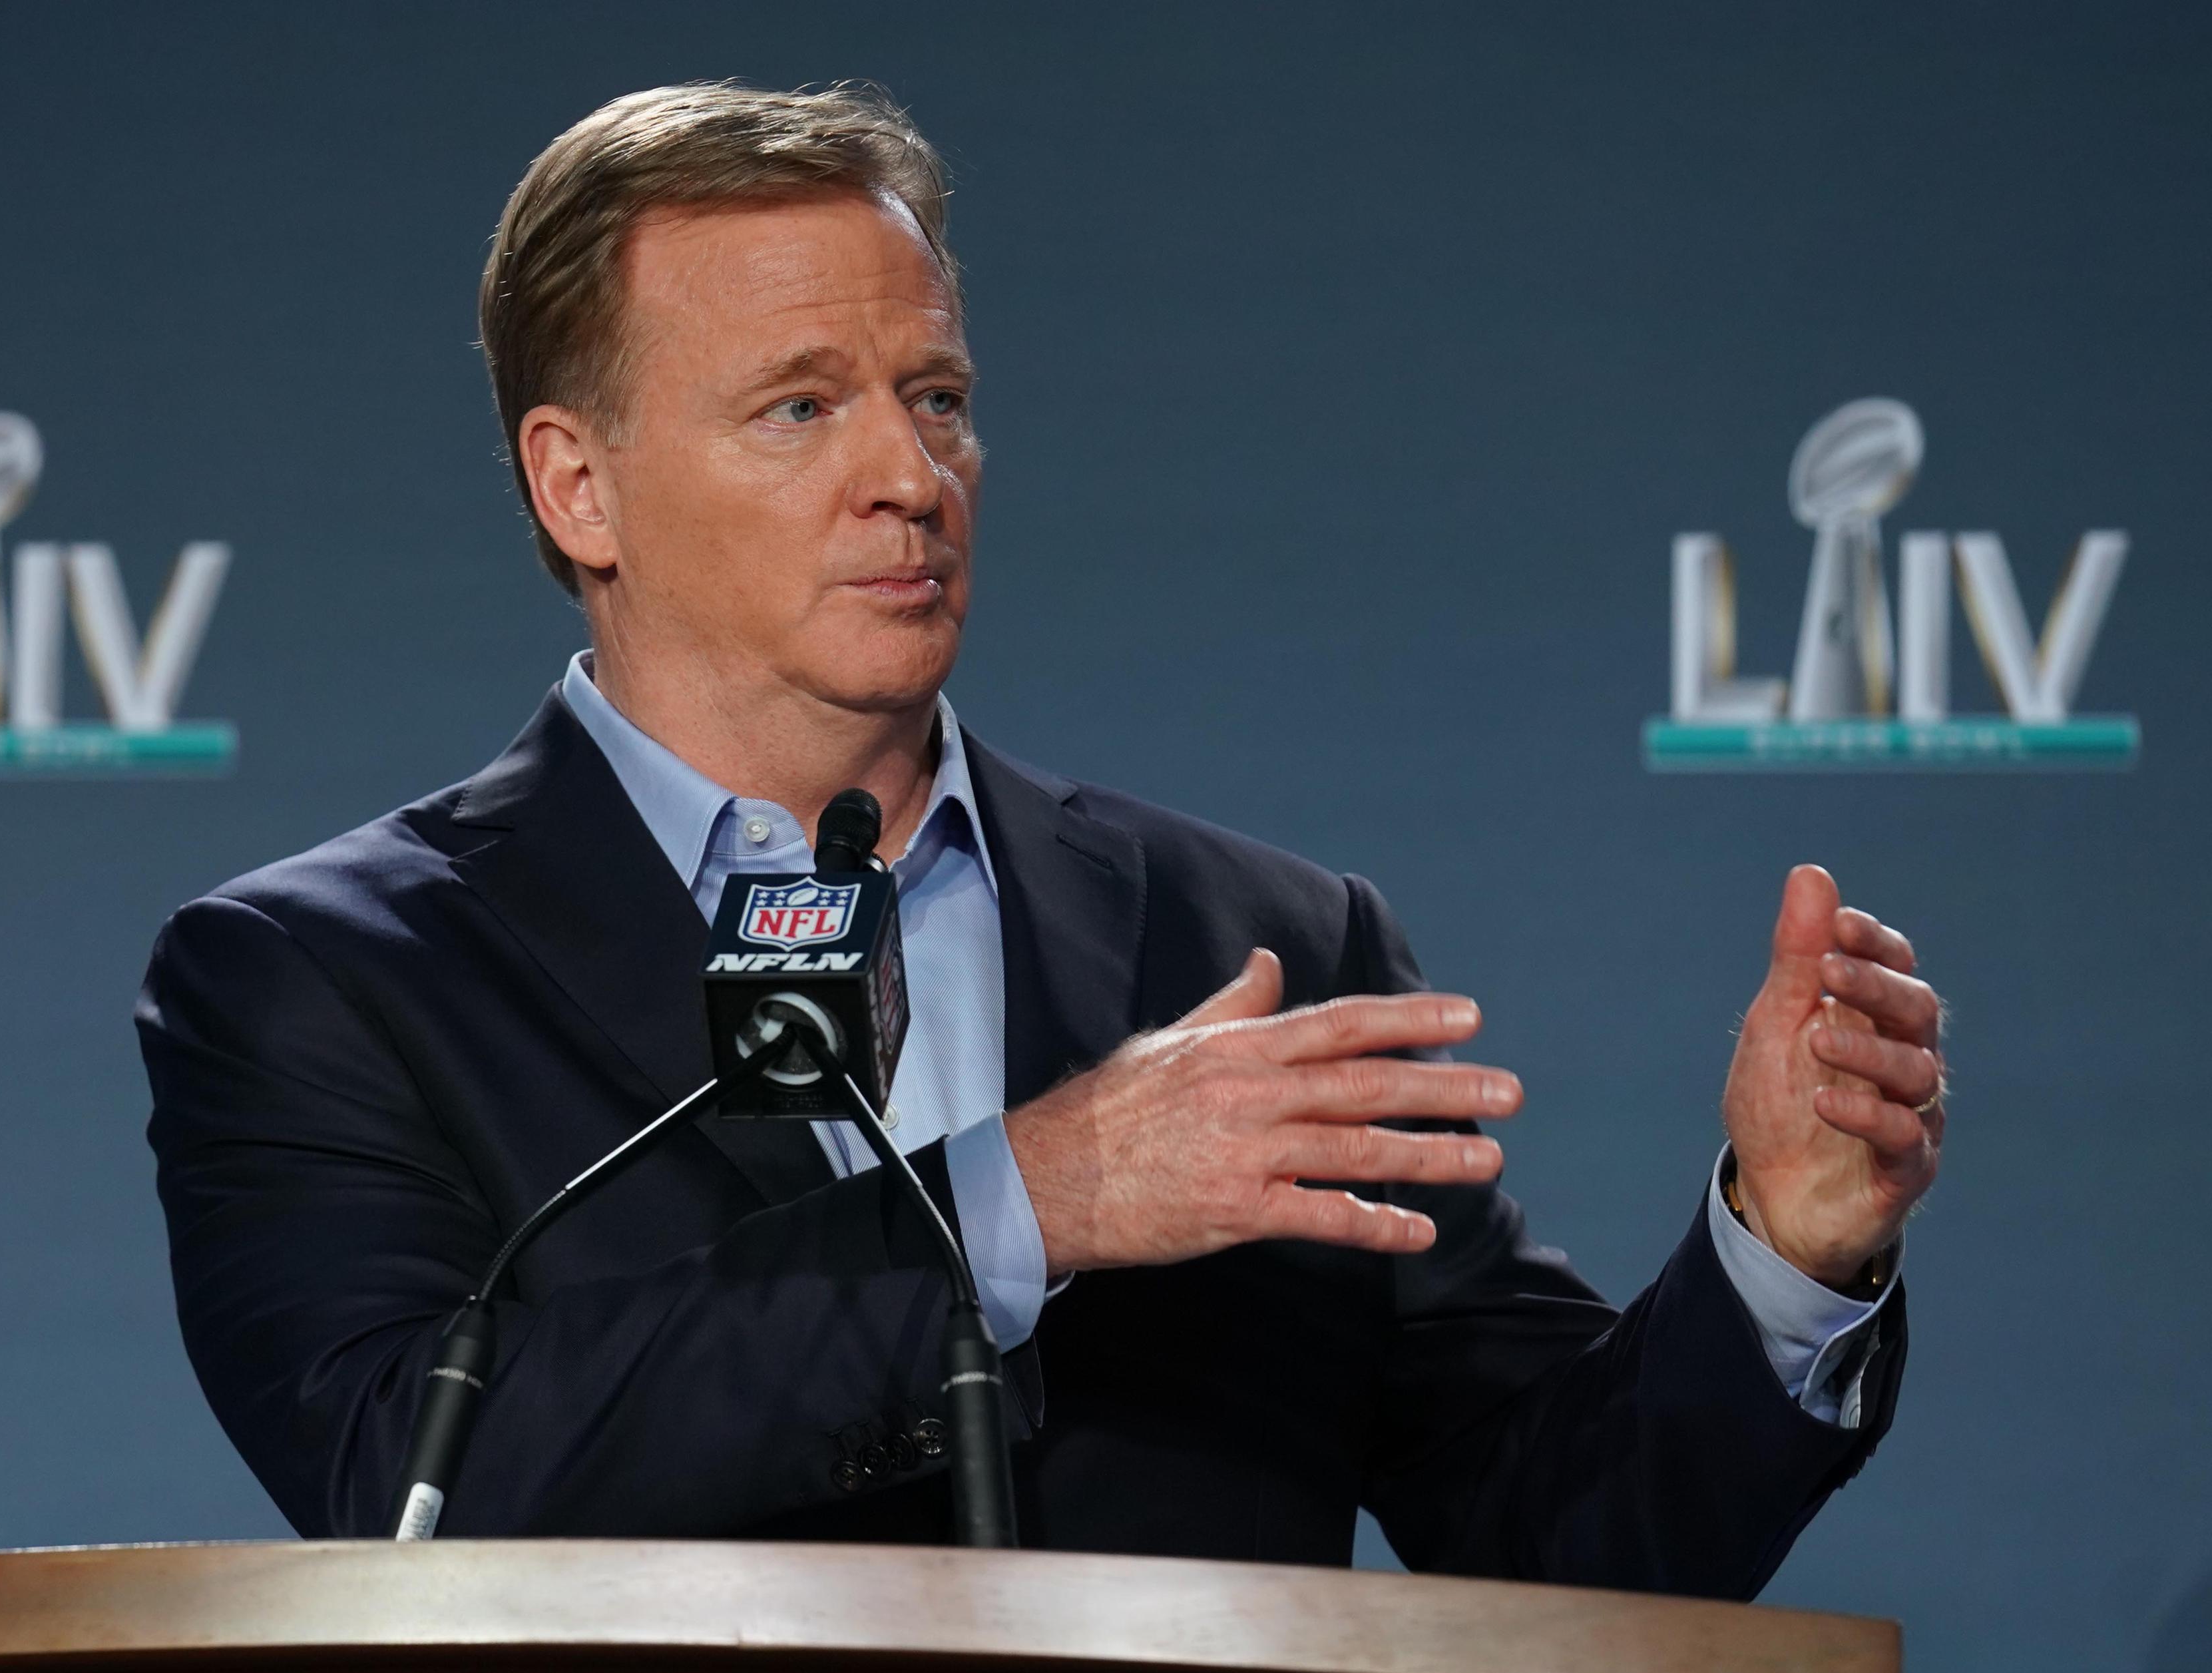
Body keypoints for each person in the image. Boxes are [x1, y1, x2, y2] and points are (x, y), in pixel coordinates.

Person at [136, 83, 1946, 1589]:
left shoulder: (1258, 944)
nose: (910, 474)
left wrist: (1782, 1255)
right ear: (577, 483)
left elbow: (1566, 1545)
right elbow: (410, 1474)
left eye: (937, 398)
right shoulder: (326, 978)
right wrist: (1032, 1201)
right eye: (801, 405)